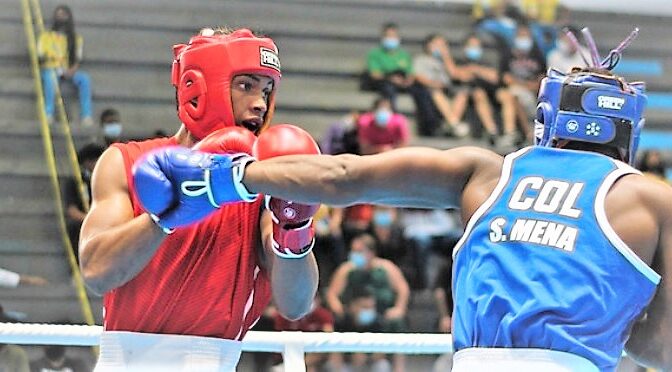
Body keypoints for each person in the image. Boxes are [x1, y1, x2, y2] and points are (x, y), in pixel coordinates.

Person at [138, 29, 672, 371]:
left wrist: (230, 178)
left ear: (547, 116)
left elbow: (344, 175)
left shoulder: (489, 172)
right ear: (627, 132)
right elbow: (658, 350)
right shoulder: (653, 200)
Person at [78, 27, 319, 371]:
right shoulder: (126, 162)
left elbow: (295, 304)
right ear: (198, 88)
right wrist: (164, 216)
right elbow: (97, 272)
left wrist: (294, 226)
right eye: (246, 86)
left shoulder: (263, 178)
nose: (260, 103)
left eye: (267, 90)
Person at [37, 5, 93, 127]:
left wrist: (72, 70)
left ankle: (86, 116)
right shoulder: (45, 37)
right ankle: (48, 114)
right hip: (50, 69)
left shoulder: (76, 39)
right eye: (58, 14)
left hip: (68, 70)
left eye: (64, 15)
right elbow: (40, 55)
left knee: (84, 79)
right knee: (50, 77)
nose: (61, 17)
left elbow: (77, 58)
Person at [413, 34, 471, 138]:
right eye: (437, 44)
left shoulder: (446, 61)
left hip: (447, 89)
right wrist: (433, 84)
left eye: (443, 45)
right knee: (436, 93)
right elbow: (418, 77)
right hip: (429, 89)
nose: (440, 47)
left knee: (463, 93)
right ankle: (454, 124)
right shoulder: (421, 59)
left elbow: (454, 74)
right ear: (428, 45)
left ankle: (451, 124)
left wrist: (446, 56)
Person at [64, 143, 104, 264]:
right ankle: (79, 265)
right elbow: (71, 210)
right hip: (85, 219)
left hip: (106, 218)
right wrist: (89, 220)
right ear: (86, 162)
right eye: (94, 160)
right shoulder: (75, 181)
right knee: (74, 227)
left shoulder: (108, 179)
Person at [363, 23, 414, 111]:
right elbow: (375, 74)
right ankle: (392, 114)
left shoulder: (404, 55)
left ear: (398, 38)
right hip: (384, 82)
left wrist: (407, 81)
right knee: (389, 88)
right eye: (388, 36)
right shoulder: (375, 54)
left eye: (393, 36)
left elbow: (410, 73)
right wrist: (391, 79)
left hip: (402, 82)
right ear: (382, 38)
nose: (391, 39)